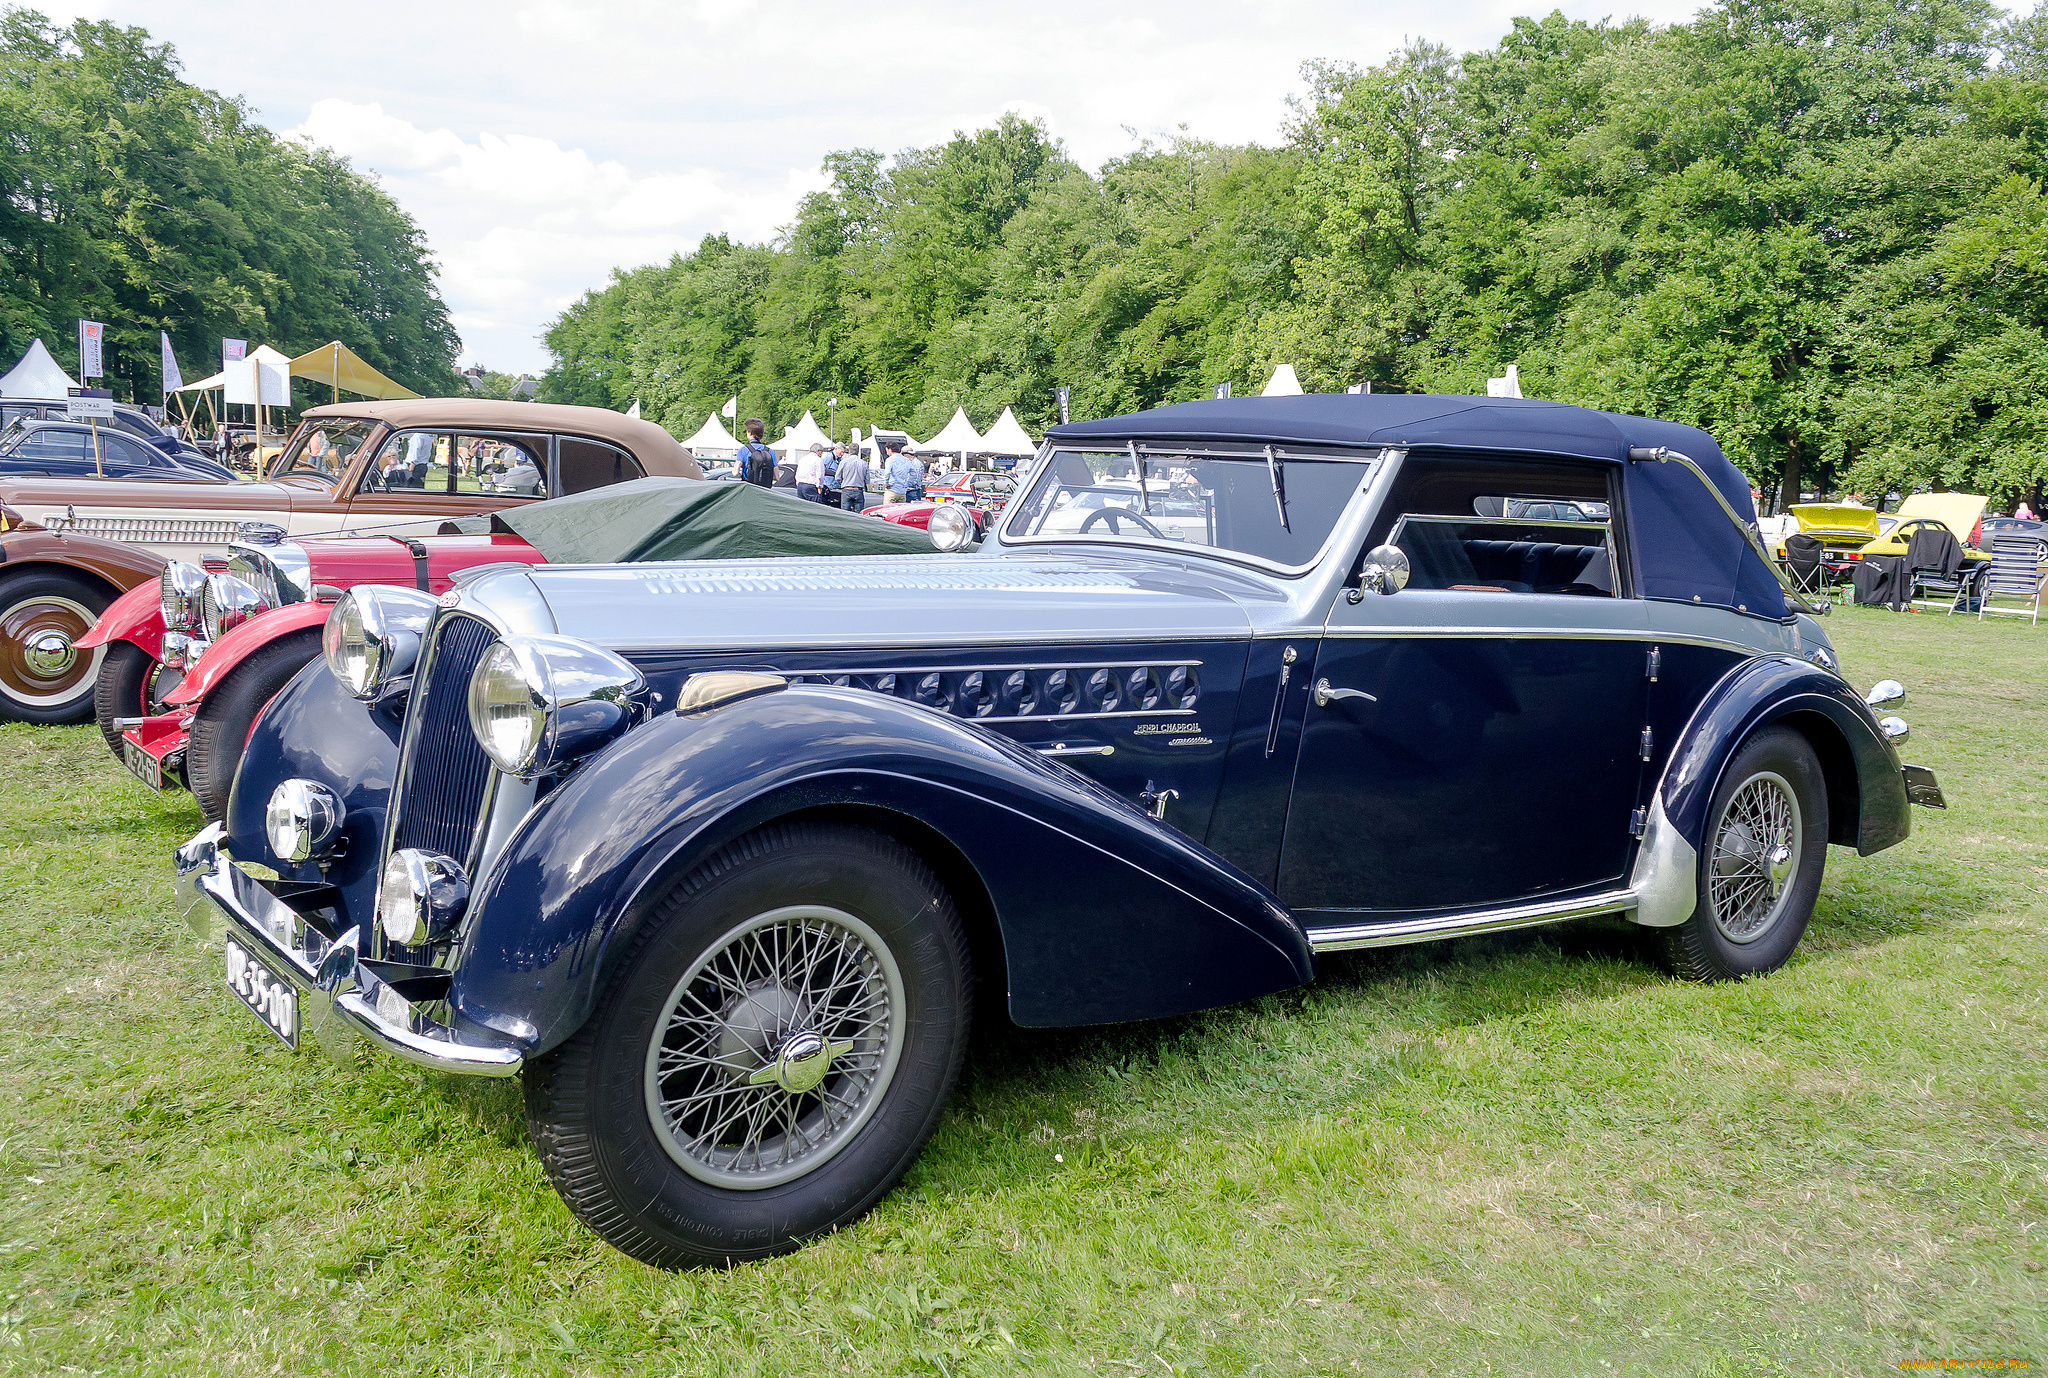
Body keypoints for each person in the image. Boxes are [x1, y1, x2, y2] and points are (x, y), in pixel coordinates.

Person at [737, 418, 775, 487]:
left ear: (749, 433)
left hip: (749, 488)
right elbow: (776, 477)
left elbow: (735, 473)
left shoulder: (743, 450)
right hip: (765, 490)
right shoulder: (770, 451)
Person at [836, 445, 870, 512]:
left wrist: (843, 482)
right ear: (858, 452)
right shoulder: (864, 463)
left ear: (849, 451)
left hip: (846, 489)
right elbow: (867, 480)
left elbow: (837, 477)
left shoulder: (843, 462)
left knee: (845, 513)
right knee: (858, 515)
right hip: (858, 490)